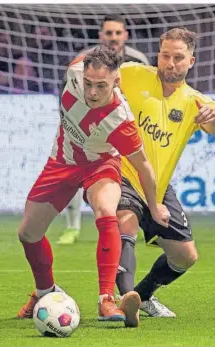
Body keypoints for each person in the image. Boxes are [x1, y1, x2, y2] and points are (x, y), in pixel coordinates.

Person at [16, 45, 170, 328]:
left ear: (116, 81)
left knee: (105, 211)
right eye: (88, 84)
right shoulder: (74, 69)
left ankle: (106, 299)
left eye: (101, 85)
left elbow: (144, 166)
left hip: (100, 165)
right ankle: (45, 292)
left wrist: (154, 204)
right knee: (28, 233)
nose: (92, 93)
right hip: (61, 161)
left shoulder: (120, 120)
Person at [115, 27, 215, 317]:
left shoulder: (195, 101)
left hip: (158, 187)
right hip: (121, 171)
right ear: (158, 55)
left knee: (185, 256)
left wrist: (213, 119)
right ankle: (124, 302)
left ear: (191, 61)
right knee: (124, 222)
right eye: (165, 55)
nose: (170, 63)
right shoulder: (132, 74)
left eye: (178, 57)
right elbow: (99, 80)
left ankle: (141, 296)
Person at [57, 14, 150, 245]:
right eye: (109, 33)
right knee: (74, 173)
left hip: (122, 126)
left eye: (118, 33)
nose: (113, 38)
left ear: (125, 35)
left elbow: (147, 94)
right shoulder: (86, 59)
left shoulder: (138, 60)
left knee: (139, 170)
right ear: (101, 36)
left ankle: (142, 223)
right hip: (86, 126)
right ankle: (72, 228)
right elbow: (68, 90)